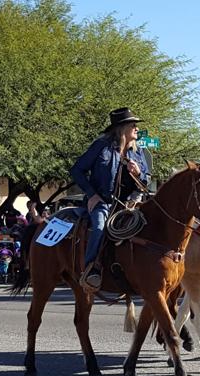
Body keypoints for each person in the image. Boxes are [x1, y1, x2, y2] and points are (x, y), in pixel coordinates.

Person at [70, 107, 151, 291]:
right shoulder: (101, 146)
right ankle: (91, 270)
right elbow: (77, 170)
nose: (137, 128)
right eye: (133, 125)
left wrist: (139, 173)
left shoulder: (138, 153)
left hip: (130, 204)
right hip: (104, 202)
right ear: (122, 128)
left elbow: (147, 178)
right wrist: (92, 195)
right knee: (99, 227)